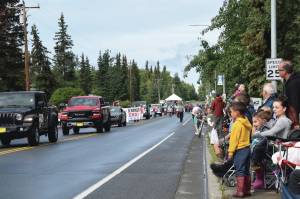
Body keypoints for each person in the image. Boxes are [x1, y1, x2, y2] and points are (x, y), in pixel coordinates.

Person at [228, 102, 252, 197]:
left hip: (240, 150)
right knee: (246, 169)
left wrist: (230, 152)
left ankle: (240, 191)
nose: (230, 114)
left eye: (231, 112)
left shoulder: (237, 124)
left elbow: (234, 140)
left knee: (239, 170)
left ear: (237, 112)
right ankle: (247, 190)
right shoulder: (246, 121)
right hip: (247, 148)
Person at [278, 60, 300, 128]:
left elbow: (294, 103)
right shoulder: (287, 81)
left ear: (285, 71)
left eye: (279, 70)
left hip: (294, 120)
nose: (278, 72)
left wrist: (296, 122)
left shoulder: (294, 83)